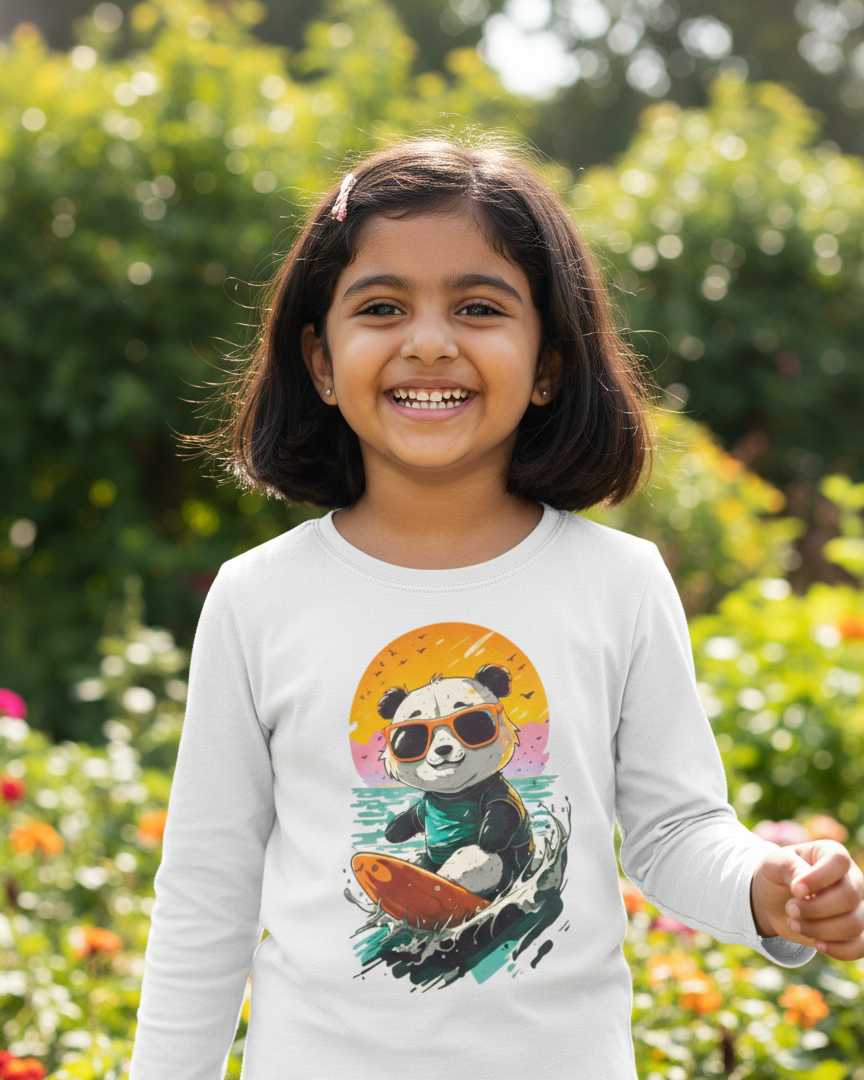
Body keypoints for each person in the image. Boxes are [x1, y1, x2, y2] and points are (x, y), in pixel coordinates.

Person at [128, 137, 864, 1080]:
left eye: (479, 307)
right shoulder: (259, 599)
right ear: (320, 359)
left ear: (549, 364)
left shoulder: (619, 583)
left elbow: (675, 831)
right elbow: (206, 892)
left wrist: (766, 887)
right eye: (382, 306)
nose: (430, 341)